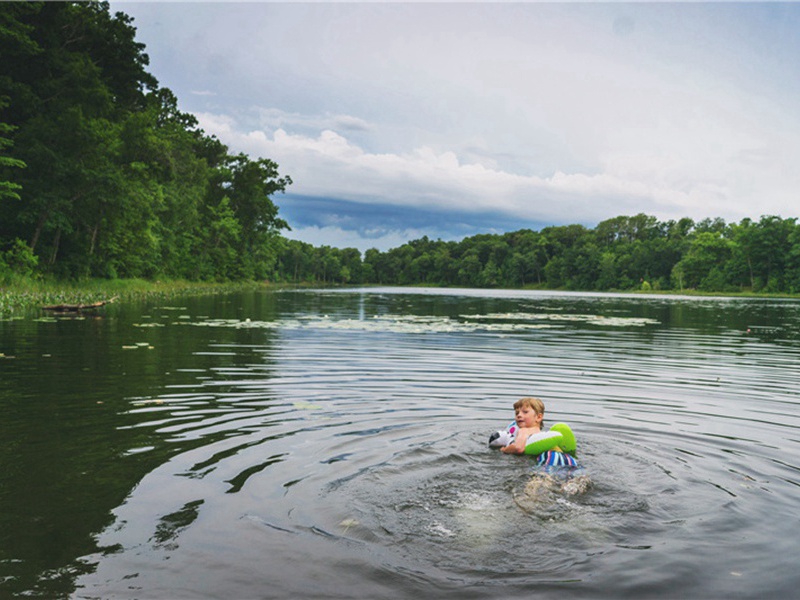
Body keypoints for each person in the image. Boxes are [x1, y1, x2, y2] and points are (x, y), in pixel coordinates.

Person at [500, 397, 578, 468]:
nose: (519, 415)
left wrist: (504, 449)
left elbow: (519, 448)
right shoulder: (542, 434)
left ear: (538, 417)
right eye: (517, 413)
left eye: (525, 412)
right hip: (566, 458)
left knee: (542, 478)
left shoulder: (524, 430)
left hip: (548, 457)